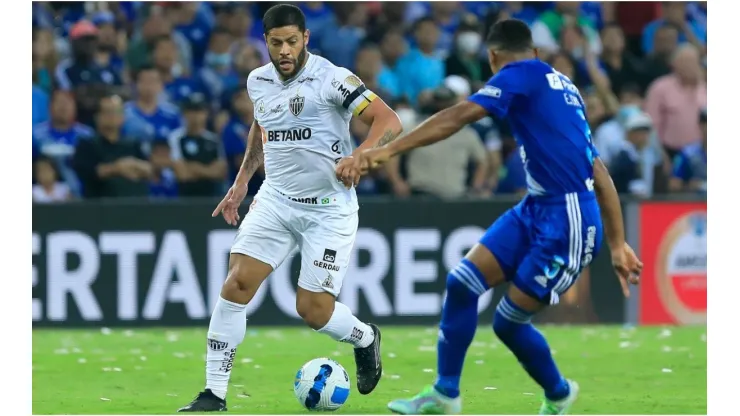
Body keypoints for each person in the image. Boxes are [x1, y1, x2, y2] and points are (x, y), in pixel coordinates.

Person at [345, 19, 643, 415]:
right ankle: (445, 395)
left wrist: (388, 151)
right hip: (539, 205)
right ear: (535, 51)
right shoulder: (563, 86)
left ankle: (558, 394)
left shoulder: (518, 74)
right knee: (463, 283)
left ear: (491, 59)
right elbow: (599, 171)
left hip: (567, 219)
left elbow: (459, 116)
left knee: (509, 322)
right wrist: (618, 243)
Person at [178, 4, 403, 413]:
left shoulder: (333, 79)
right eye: (276, 42)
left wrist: (361, 156)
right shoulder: (257, 81)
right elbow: (261, 126)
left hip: (329, 208)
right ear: (265, 41)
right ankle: (213, 394)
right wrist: (242, 181)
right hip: (277, 199)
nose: (284, 50)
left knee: (313, 310)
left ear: (306, 40)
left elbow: (389, 121)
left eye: (292, 42)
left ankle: (365, 338)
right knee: (236, 285)